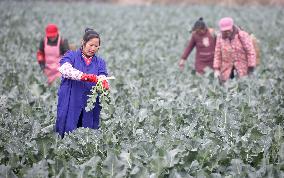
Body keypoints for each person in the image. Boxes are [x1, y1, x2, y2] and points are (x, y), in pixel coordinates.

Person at [55, 28, 109, 138]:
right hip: (71, 101)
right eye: (90, 45)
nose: (93, 48)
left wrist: (104, 83)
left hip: (89, 105)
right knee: (67, 131)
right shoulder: (71, 56)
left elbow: (102, 75)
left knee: (88, 133)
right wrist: (84, 76)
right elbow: (64, 69)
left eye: (96, 46)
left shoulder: (100, 62)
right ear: (83, 43)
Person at [213, 17, 256, 83]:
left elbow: (250, 51)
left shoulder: (242, 35)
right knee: (227, 89)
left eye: (228, 30)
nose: (227, 32)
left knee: (241, 87)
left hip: (242, 68)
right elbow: (217, 54)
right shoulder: (220, 37)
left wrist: (251, 67)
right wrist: (216, 69)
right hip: (226, 70)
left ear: (232, 27)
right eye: (224, 31)